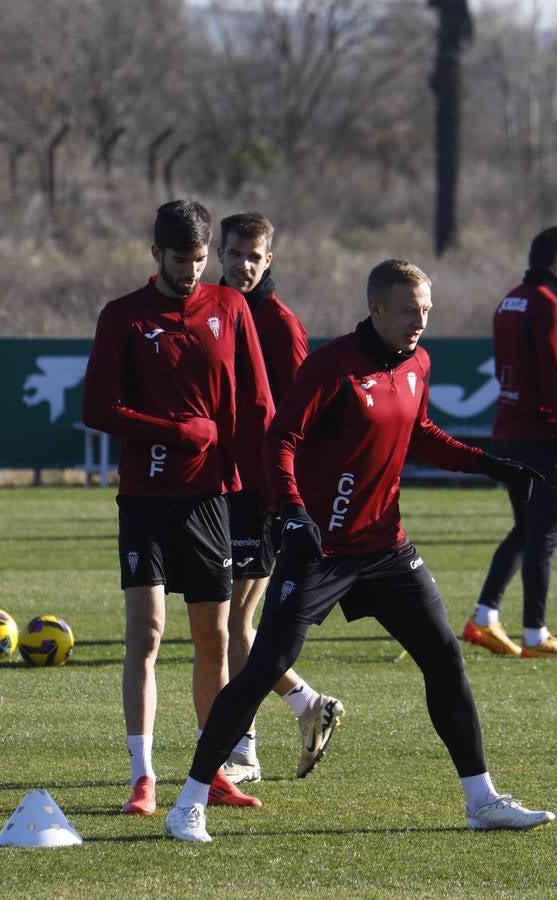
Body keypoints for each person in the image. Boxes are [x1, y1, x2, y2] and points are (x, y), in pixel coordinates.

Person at [163, 259, 555, 842]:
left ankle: (482, 800)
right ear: (375, 309)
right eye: (407, 311)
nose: (419, 322)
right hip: (318, 548)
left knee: (445, 659)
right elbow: (281, 439)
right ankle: (189, 801)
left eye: (425, 310)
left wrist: (488, 465)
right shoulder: (334, 366)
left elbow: (421, 432)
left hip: (387, 548)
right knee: (264, 666)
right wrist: (292, 512)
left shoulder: (418, 362)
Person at [81, 199, 273, 815]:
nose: (191, 273)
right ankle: (142, 775)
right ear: (154, 252)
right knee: (147, 633)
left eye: (197, 260)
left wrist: (269, 481)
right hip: (145, 499)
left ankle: (210, 769)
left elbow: (258, 403)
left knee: (215, 638)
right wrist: (174, 430)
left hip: (212, 500)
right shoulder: (123, 318)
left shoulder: (231, 308)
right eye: (179, 260)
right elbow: (97, 409)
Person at [214, 211, 343, 784]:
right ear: (220, 253)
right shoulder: (210, 310)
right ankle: (305, 703)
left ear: (269, 261)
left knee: (236, 626)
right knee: (223, 627)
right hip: (211, 487)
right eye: (235, 254)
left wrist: (285, 499)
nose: (243, 265)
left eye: (254, 256)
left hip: (258, 492)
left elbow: (299, 422)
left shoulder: (279, 324)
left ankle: (244, 751)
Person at [464, 226, 557, 660]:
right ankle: (536, 634)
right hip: (541, 438)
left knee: (525, 529)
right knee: (545, 536)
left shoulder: (510, 301)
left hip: (507, 432)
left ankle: (484, 617)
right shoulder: (549, 307)